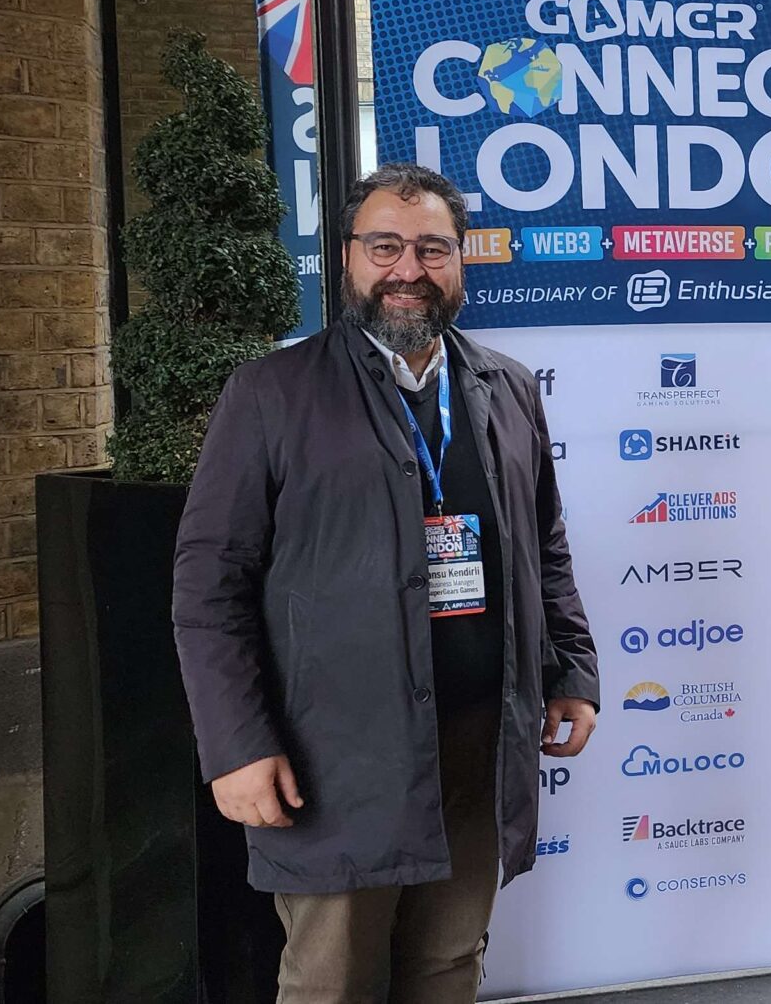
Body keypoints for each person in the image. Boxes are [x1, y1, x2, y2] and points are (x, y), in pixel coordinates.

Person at [173, 164, 600, 1003]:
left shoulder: (508, 387)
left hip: (478, 740)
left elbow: (545, 544)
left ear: (461, 260)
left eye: (432, 248)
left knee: (447, 963)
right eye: (385, 247)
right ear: (346, 258)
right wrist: (236, 745)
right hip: (335, 755)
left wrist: (573, 669)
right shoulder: (271, 394)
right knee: (333, 982)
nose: (409, 269)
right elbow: (209, 587)